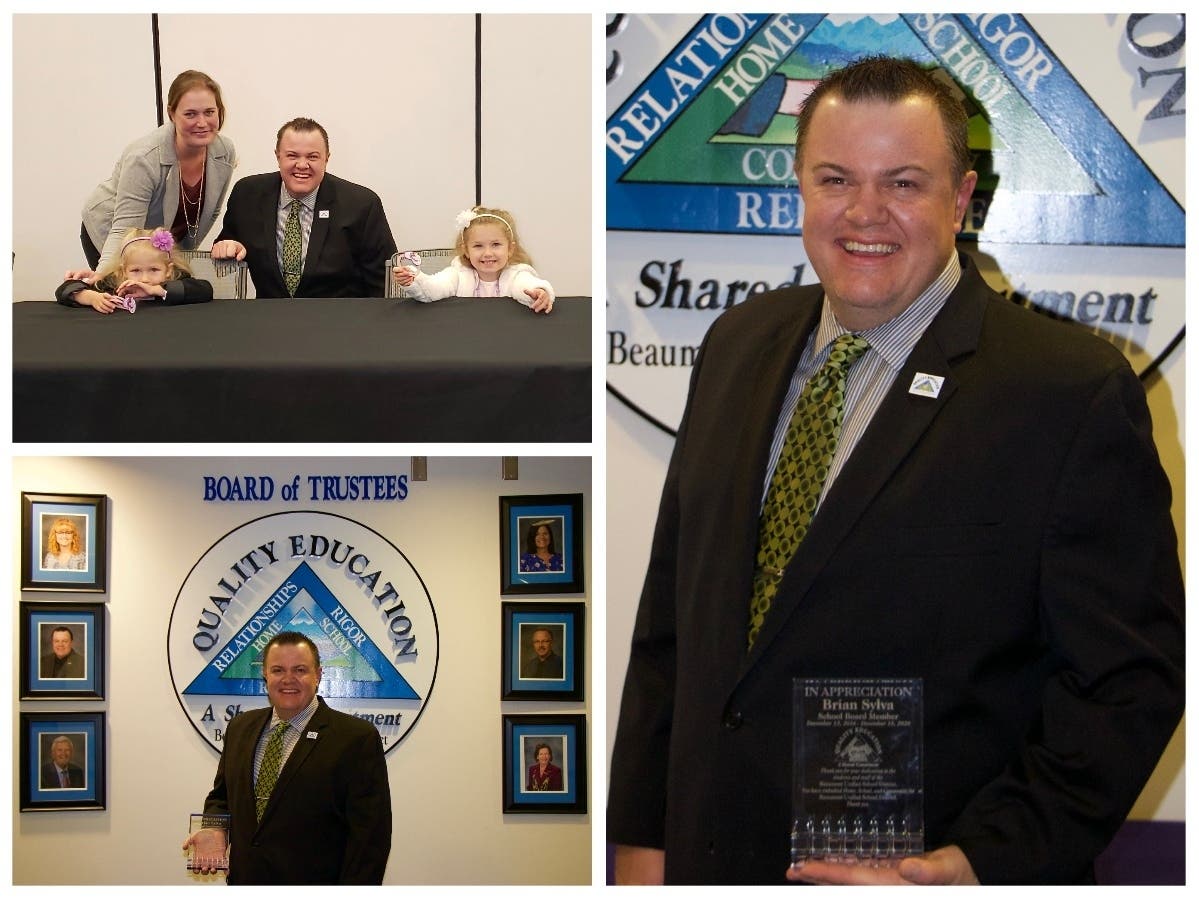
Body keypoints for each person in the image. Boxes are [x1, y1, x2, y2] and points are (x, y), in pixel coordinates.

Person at [607, 56, 1184, 886]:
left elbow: (1127, 682)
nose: (864, 212)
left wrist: (979, 861)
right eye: (835, 178)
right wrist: (643, 839)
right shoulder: (735, 346)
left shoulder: (1065, 393)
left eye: (903, 183)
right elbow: (671, 621)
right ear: (798, 187)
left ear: (960, 199)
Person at [183, 631, 391, 884]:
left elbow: (370, 839)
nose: (288, 679)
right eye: (278, 670)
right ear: (265, 675)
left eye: (300, 670)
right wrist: (215, 828)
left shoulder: (356, 738)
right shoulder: (240, 728)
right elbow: (221, 796)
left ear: (318, 675)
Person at [211, 118, 396, 298]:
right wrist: (226, 246)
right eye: (292, 155)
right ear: (278, 156)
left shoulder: (362, 204)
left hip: (339, 322)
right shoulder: (247, 195)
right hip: (269, 321)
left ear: (326, 159)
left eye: (312, 157)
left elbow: (384, 281)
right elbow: (228, 244)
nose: (302, 165)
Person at [74, 70, 237, 274]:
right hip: (113, 230)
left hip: (159, 238)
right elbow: (124, 230)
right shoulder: (143, 158)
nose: (202, 123)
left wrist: (178, 260)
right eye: (190, 114)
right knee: (125, 293)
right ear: (171, 114)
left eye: (209, 112)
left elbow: (207, 214)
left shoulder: (224, 152)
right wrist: (100, 279)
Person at [393, 206, 555, 312]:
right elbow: (431, 290)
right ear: (466, 250)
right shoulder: (457, 275)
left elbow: (527, 287)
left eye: (496, 244)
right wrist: (414, 279)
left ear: (510, 248)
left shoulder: (516, 275)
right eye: (478, 246)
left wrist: (539, 293)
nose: (488, 253)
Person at [56, 228, 212, 313]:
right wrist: (90, 297)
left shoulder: (176, 281)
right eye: (136, 270)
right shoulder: (113, 284)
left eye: (154, 270)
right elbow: (64, 290)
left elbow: (205, 289)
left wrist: (158, 290)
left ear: (168, 271)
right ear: (123, 271)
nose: (144, 278)